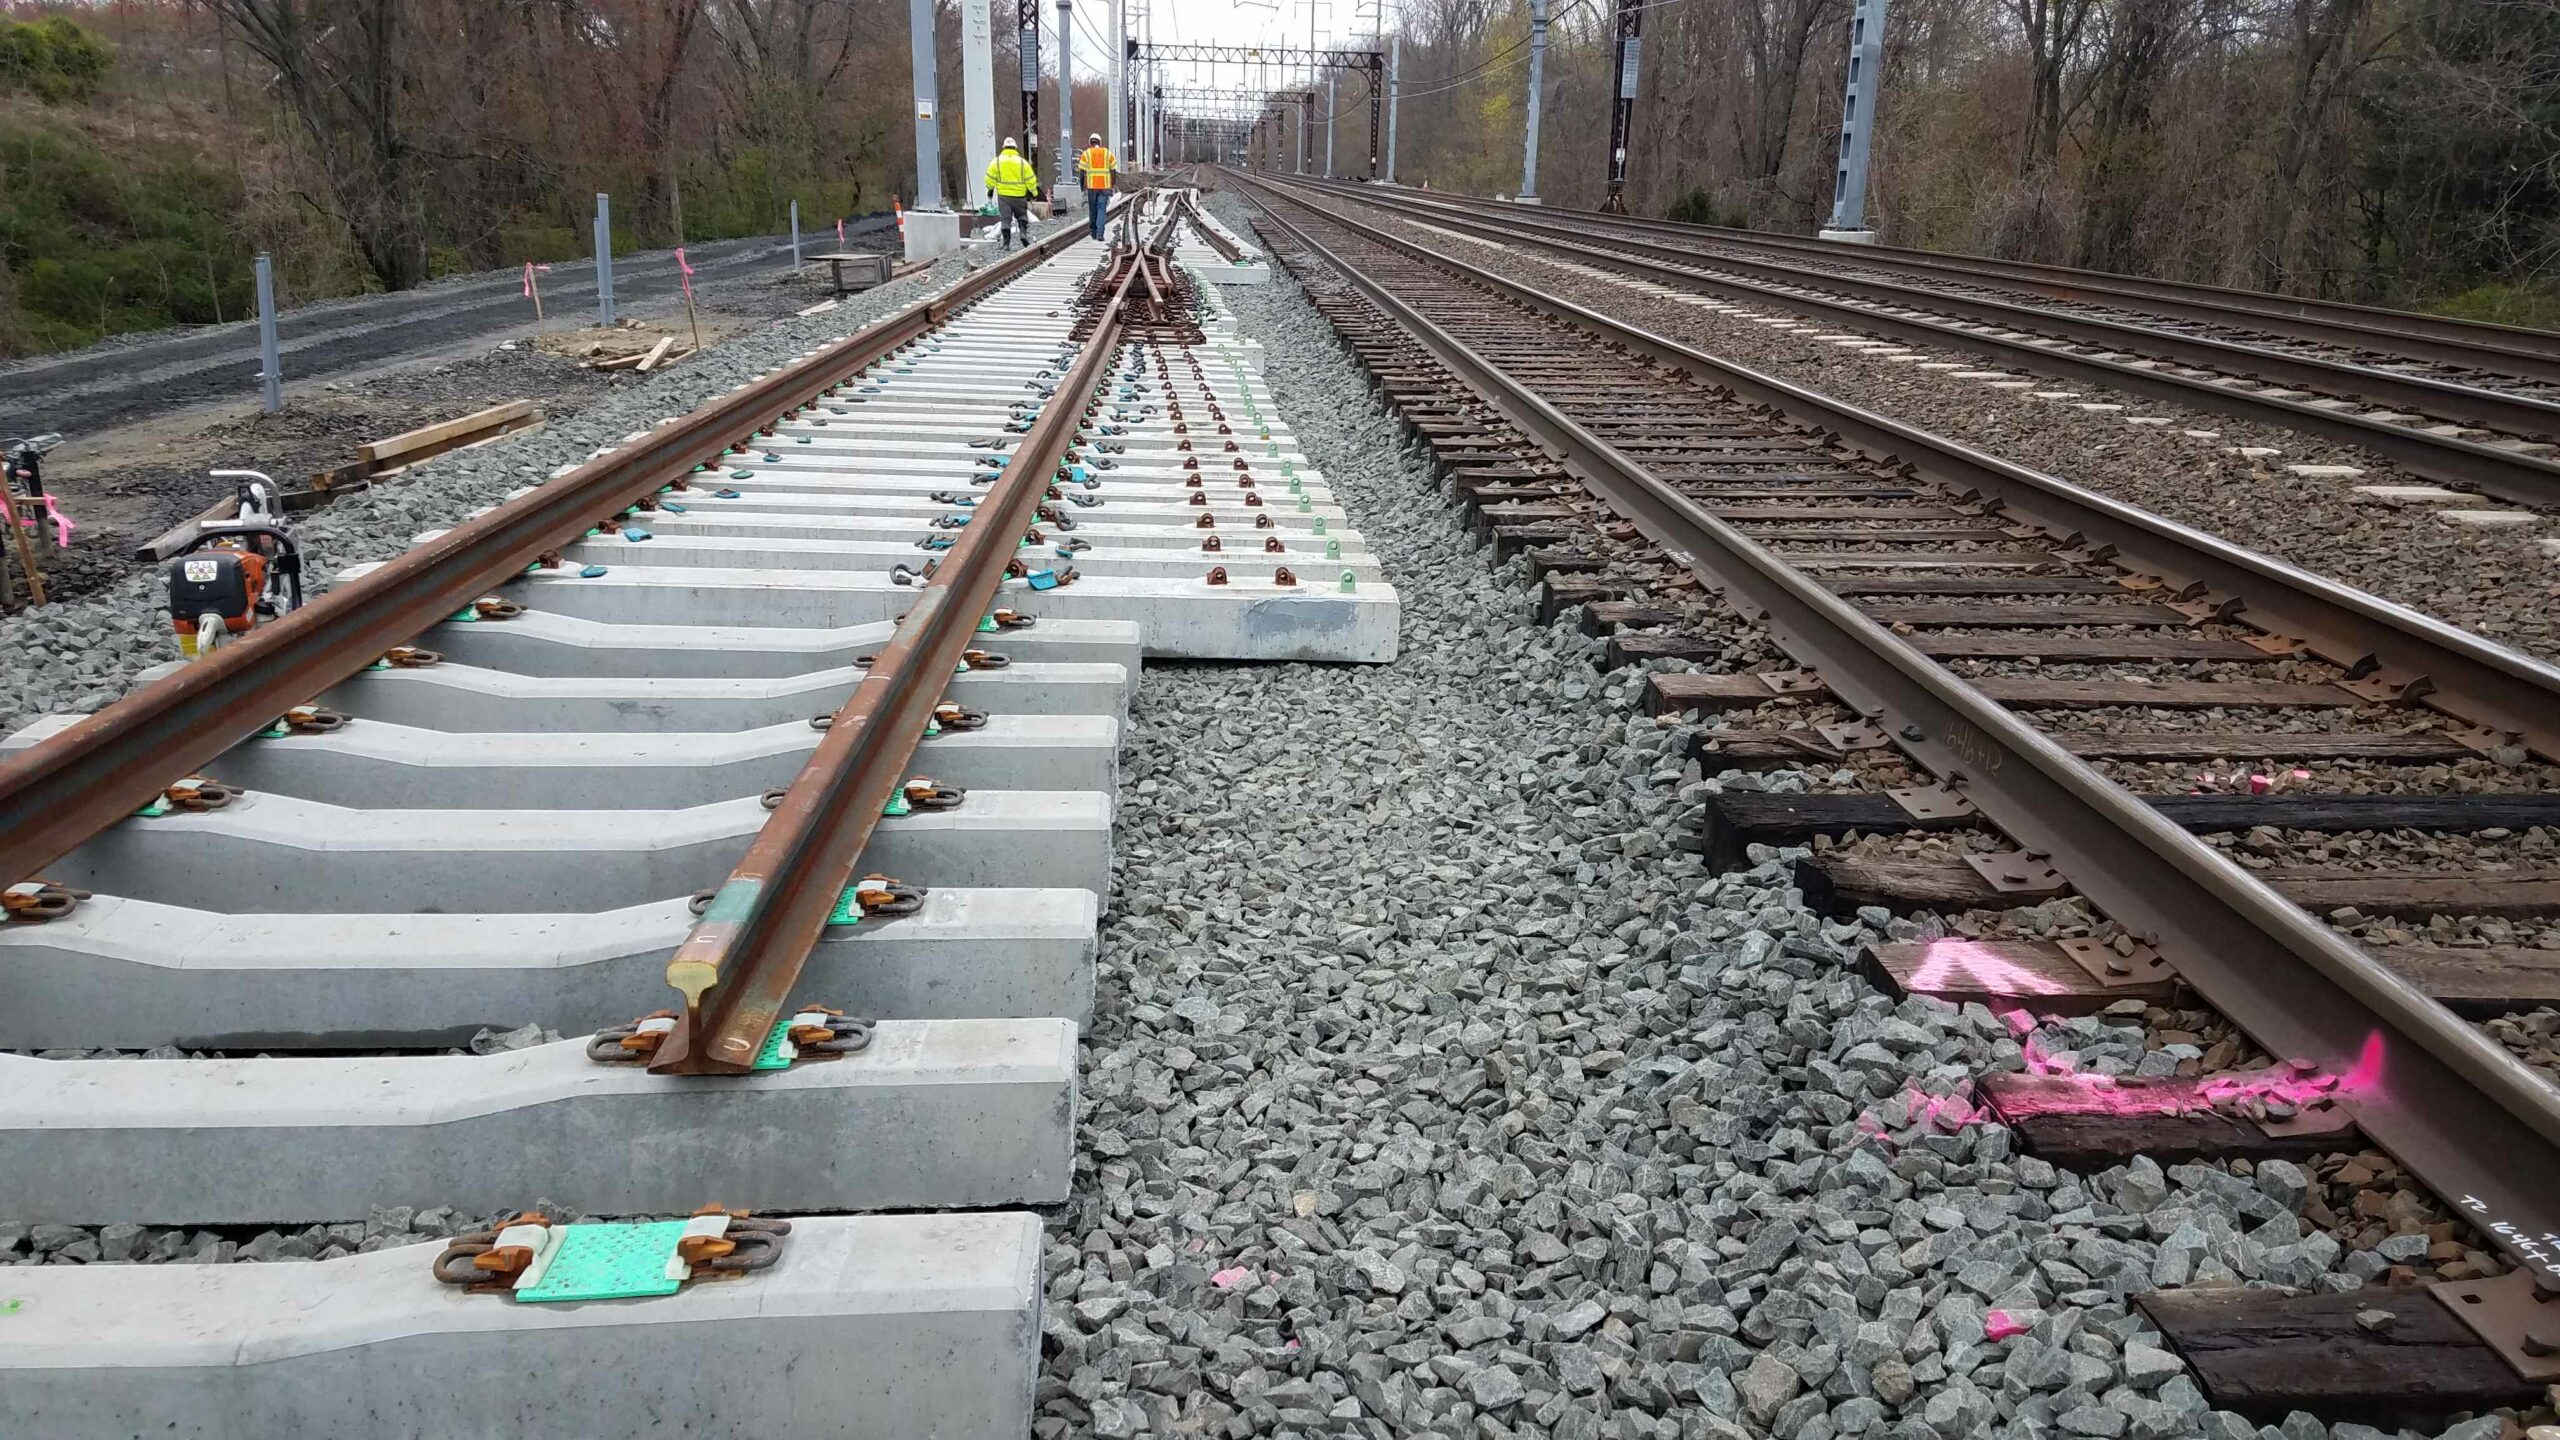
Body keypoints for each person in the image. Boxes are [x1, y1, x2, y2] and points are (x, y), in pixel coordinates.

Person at [984, 137, 1041, 250]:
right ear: (1015, 148)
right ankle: (1023, 234)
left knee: (1005, 220)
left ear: (1003, 147)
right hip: (1019, 196)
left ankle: (1006, 244)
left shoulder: (997, 161)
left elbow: (989, 178)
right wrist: (1034, 193)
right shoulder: (1022, 162)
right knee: (1022, 217)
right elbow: (1031, 179)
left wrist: (990, 190)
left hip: (1004, 196)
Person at [1075, 132, 1118, 241]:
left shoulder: (1086, 154)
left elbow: (1082, 172)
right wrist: (1112, 184)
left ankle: (1093, 231)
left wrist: (1082, 186)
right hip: (1105, 187)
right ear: (1100, 142)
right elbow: (1113, 171)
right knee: (1102, 209)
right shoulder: (1107, 153)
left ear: (1090, 142)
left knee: (1092, 210)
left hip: (1092, 187)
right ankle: (1100, 233)